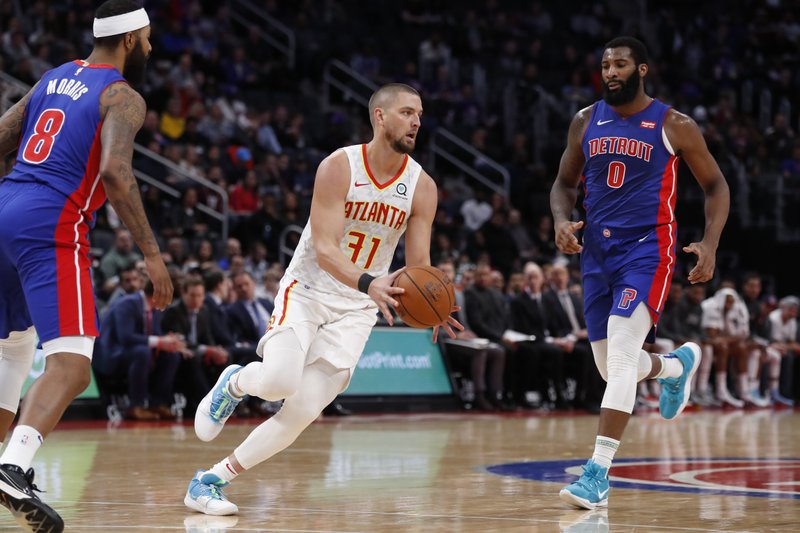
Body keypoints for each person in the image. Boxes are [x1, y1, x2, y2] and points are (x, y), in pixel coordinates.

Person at [183, 83, 460, 516]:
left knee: (303, 409)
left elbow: (417, 267)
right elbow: (327, 250)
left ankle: (210, 480)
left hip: (358, 308)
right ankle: (234, 382)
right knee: (279, 380)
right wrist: (370, 282)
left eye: (420, 114)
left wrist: (434, 305)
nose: (416, 121)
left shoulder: (422, 187)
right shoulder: (339, 167)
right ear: (380, 117)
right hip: (309, 289)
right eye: (407, 112)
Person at [0, 1, 172, 530]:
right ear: (128, 41)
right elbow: (116, 174)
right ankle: (13, 467)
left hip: (6, 208)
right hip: (53, 222)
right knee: (73, 366)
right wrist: (151, 253)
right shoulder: (122, 95)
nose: (150, 46)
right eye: (146, 38)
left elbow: (3, 138)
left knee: (14, 350)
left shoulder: (52, 77)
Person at [550, 36, 729, 510]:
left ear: (642, 69)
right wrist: (559, 220)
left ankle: (597, 473)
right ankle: (675, 367)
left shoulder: (675, 124)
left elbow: (715, 186)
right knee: (610, 368)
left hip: (648, 249)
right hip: (596, 255)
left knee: (624, 358)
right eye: (606, 64)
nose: (610, 71)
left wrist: (709, 244)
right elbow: (564, 183)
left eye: (621, 64)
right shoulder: (585, 121)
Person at [93, 280, 184, 420]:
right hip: (111, 354)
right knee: (142, 352)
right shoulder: (126, 304)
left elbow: (155, 335)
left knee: (172, 355)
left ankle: (158, 403)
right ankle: (136, 405)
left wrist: (171, 342)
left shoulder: (155, 309)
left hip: (134, 352)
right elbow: (125, 338)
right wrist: (160, 341)